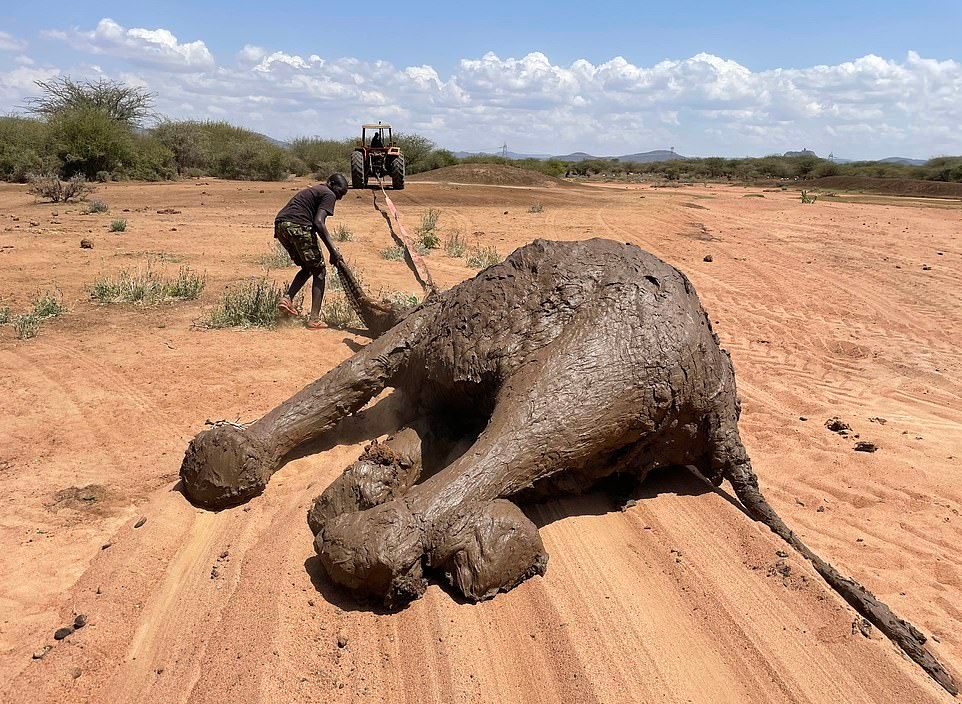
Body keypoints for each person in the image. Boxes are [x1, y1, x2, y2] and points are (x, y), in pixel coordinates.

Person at [274, 173, 349, 329]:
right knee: (319, 272)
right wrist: (333, 251)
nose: (339, 197)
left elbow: (315, 224)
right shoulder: (329, 194)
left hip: (282, 226)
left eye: (342, 195)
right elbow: (319, 222)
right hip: (298, 226)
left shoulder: (317, 190)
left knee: (309, 268)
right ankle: (314, 319)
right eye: (339, 192)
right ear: (330, 183)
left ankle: (287, 298)